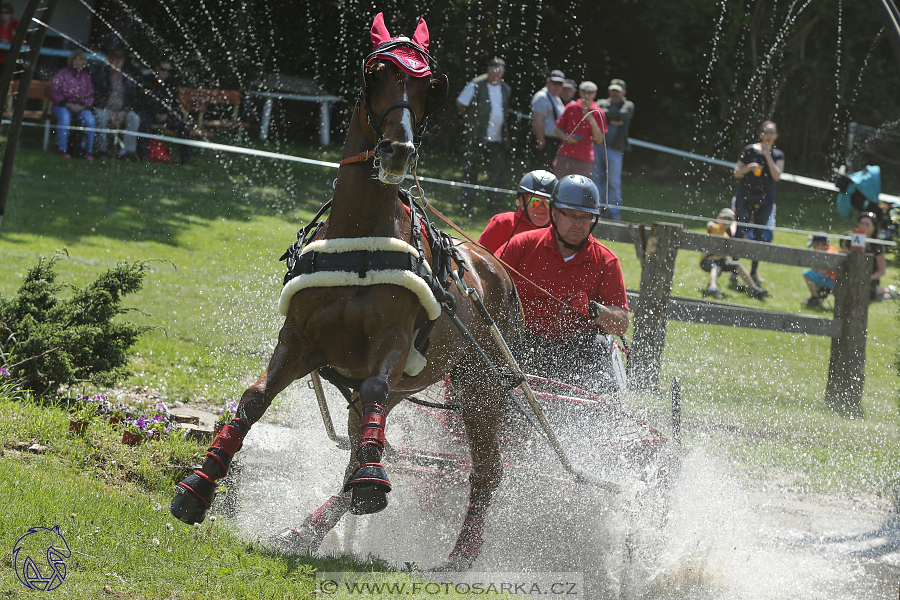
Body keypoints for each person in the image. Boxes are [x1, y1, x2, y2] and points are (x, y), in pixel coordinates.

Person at [496, 174, 629, 398]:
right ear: (555, 214)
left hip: (577, 350)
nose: (578, 224)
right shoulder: (523, 245)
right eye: (571, 216)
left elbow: (621, 324)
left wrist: (595, 309)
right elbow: (488, 286)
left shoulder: (607, 261)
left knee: (594, 349)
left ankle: (596, 424)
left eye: (585, 217)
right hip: (522, 341)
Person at [457, 57, 511, 210]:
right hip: (477, 136)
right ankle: (466, 202)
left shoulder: (506, 88)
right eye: (493, 72)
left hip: (498, 138)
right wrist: (471, 121)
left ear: (502, 73)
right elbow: (461, 103)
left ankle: (494, 202)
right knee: (471, 170)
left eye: (498, 72)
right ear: (488, 71)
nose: (495, 75)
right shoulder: (476, 84)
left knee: (497, 172)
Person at [733, 120, 784, 282]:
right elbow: (736, 172)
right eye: (766, 132)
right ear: (761, 134)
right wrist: (749, 167)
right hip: (745, 195)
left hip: (765, 199)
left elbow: (777, 176)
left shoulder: (778, 155)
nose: (768, 136)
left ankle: (754, 271)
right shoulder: (748, 150)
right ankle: (733, 268)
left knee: (760, 235)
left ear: (775, 136)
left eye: (771, 133)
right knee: (740, 231)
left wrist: (767, 157)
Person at [478, 170, 556, 255]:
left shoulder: (559, 231)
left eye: (548, 203)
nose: (541, 207)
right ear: (522, 201)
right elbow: (479, 259)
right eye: (534, 201)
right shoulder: (502, 223)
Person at [700, 208, 768, 299]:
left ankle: (755, 289)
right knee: (716, 267)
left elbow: (725, 254)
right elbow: (710, 226)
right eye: (724, 219)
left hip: (720, 261)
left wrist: (728, 263)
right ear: (719, 218)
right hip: (707, 260)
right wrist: (710, 225)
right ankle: (712, 289)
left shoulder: (726, 236)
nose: (726, 222)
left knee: (737, 264)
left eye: (729, 220)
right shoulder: (714, 228)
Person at [137, 58, 191, 165]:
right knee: (144, 122)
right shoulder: (147, 81)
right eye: (162, 69)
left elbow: (174, 104)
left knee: (183, 127)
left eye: (168, 70)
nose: (165, 72)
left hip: (166, 116)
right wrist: (155, 114)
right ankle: (142, 156)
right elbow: (142, 101)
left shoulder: (171, 85)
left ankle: (185, 160)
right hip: (149, 113)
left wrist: (167, 115)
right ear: (157, 68)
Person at [593, 79, 634, 221]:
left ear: (624, 92)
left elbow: (624, 116)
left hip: (615, 149)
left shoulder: (628, 105)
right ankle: (598, 210)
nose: (615, 93)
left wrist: (605, 117)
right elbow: (594, 112)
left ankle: (615, 214)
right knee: (597, 178)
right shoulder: (602, 103)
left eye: (618, 91)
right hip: (598, 146)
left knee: (613, 181)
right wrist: (611, 119)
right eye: (613, 90)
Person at [91, 49, 140, 161]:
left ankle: (126, 152)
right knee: (101, 117)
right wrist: (108, 111)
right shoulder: (100, 75)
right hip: (104, 109)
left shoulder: (128, 78)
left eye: (119, 61)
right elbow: (96, 98)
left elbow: (133, 100)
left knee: (134, 118)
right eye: (113, 60)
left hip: (122, 110)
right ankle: (101, 150)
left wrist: (124, 112)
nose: (116, 63)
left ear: (123, 62)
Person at [554, 81, 606, 179]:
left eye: (590, 93)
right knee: (558, 185)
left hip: (585, 158)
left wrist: (592, 121)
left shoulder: (599, 113)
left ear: (594, 94)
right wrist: (566, 138)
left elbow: (599, 140)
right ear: (580, 92)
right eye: (585, 92)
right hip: (565, 155)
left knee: (578, 191)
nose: (587, 95)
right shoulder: (571, 107)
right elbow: (557, 129)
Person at [49, 50, 96, 160]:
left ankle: (87, 151)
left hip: (80, 108)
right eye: (76, 59)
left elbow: (90, 95)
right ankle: (63, 149)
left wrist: (83, 106)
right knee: (65, 118)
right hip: (62, 106)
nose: (78, 62)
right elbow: (54, 91)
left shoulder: (86, 77)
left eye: (80, 59)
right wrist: (67, 104)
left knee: (90, 120)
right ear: (71, 60)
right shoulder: (62, 73)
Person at [529, 69, 566, 171]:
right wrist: (541, 142)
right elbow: (537, 121)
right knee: (539, 172)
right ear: (548, 81)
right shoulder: (542, 97)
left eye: (560, 84)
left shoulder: (556, 97)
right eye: (555, 83)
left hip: (553, 142)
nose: (558, 86)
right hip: (545, 141)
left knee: (549, 172)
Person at [855, 211, 893, 301]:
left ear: (873, 227)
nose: (863, 226)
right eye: (861, 223)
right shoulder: (851, 240)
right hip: (853, 276)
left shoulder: (877, 246)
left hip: (870, 279)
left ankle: (886, 291)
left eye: (867, 224)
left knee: (864, 290)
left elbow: (882, 271)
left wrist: (867, 278)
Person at [801, 232, 838, 308]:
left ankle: (815, 298)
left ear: (822, 244)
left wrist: (815, 267)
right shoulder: (830, 250)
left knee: (807, 274)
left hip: (832, 282)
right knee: (812, 275)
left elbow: (822, 271)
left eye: (815, 245)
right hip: (832, 280)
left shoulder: (829, 253)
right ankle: (816, 297)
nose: (814, 248)